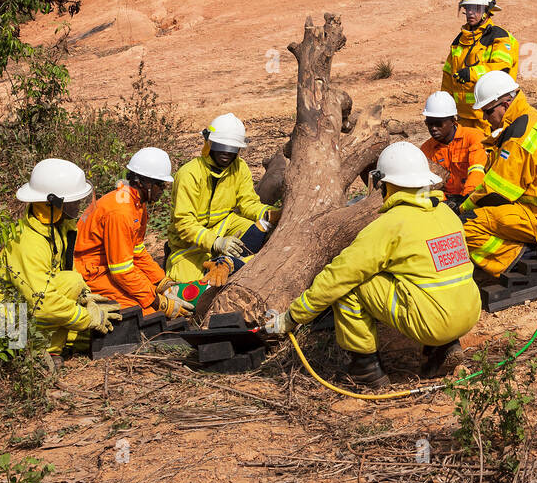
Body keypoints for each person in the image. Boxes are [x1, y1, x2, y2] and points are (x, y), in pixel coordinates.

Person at [264, 142, 480, 388]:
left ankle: (366, 370)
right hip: (469, 312)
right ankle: (444, 349)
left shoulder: (389, 225)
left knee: (348, 288)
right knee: (426, 279)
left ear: (386, 184)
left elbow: (338, 276)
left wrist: (292, 317)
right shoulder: (446, 214)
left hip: (433, 321)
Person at [0, 159, 121, 359]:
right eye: (73, 200)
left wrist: (84, 297)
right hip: (4, 314)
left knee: (87, 327)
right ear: (53, 202)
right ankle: (42, 355)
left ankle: (58, 341)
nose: (79, 204)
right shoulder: (28, 242)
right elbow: (43, 302)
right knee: (72, 288)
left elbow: (57, 276)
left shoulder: (56, 227)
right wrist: (86, 317)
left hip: (29, 302)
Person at [459, 71, 537, 277]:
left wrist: (463, 208)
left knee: (465, 226)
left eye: (487, 112)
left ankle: (517, 257)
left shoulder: (519, 138)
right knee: (480, 215)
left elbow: (497, 192)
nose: (483, 118)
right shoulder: (525, 118)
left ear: (505, 105)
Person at [166, 113, 279, 287]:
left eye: (233, 148)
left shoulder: (239, 167)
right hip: (189, 245)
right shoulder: (189, 174)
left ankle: (235, 262)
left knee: (261, 233)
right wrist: (215, 242)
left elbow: (248, 203)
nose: (226, 152)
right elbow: (184, 223)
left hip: (225, 225)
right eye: (221, 146)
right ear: (208, 143)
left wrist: (270, 213)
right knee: (192, 287)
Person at [75, 148, 189, 318]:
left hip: (109, 266)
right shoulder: (121, 211)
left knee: (149, 298)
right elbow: (121, 271)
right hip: (91, 273)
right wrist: (157, 302)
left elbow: (137, 251)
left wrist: (161, 282)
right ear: (143, 183)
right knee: (146, 313)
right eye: (159, 184)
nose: (162, 190)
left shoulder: (137, 205)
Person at [440, 0, 519, 132]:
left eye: (476, 8)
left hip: (488, 116)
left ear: (487, 11)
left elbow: (502, 68)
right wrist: (445, 106)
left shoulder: (498, 37)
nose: (470, 13)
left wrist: (472, 73)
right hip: (462, 118)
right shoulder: (459, 41)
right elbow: (448, 77)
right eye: (467, 8)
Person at [419, 90, 486, 215]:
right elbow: (426, 187)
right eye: (429, 123)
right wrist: (446, 203)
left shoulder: (473, 137)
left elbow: (477, 172)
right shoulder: (426, 150)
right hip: (445, 205)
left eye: (438, 123)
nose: (433, 128)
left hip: (473, 198)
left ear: (452, 120)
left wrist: (466, 199)